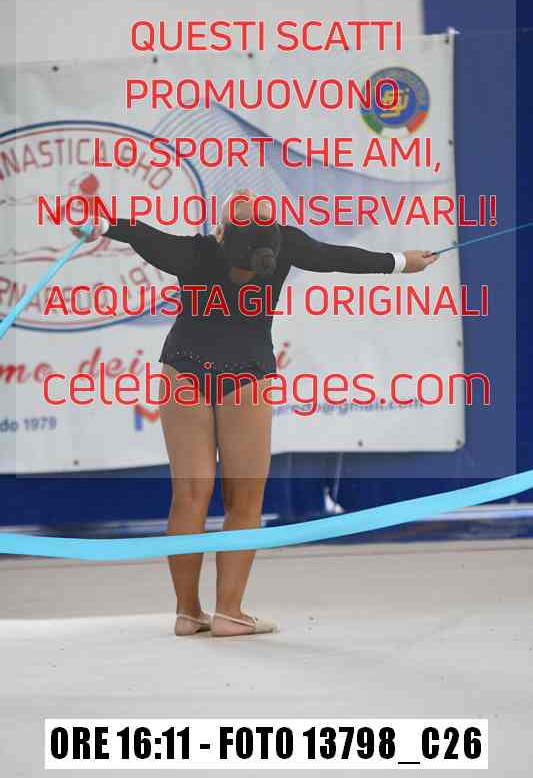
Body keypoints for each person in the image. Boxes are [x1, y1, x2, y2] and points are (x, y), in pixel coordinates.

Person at [72, 190, 438, 637]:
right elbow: (339, 257)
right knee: (244, 500)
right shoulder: (284, 245)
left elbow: (142, 234)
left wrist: (99, 225)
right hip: (246, 374)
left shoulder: (196, 252)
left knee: (189, 496)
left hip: (185, 369)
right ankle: (229, 612)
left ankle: (188, 612)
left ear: (222, 233)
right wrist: (401, 262)